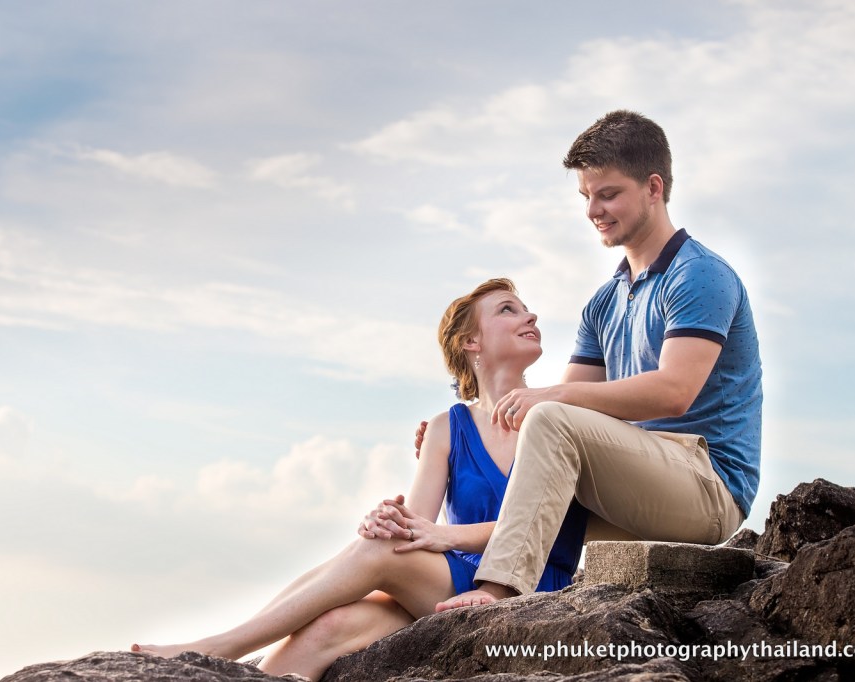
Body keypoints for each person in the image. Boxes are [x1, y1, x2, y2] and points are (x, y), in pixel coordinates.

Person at [131, 278, 588, 680]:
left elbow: (543, 527)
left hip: (528, 584)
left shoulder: (556, 419)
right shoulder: (448, 427)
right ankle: (236, 665)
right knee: (327, 629)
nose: (530, 315)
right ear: (471, 342)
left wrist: (429, 536)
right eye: (508, 309)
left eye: (524, 308)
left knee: (381, 551)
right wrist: (389, 522)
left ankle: (224, 646)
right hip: (448, 586)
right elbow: (415, 529)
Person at [408, 110, 763, 611]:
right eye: (586, 197)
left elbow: (672, 393)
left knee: (553, 419)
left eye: (608, 194)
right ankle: (441, 550)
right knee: (545, 445)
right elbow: (554, 421)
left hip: (707, 485)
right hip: (635, 480)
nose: (593, 209)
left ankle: (500, 591)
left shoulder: (699, 275)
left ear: (653, 187)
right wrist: (459, 436)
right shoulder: (604, 302)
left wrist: (551, 399)